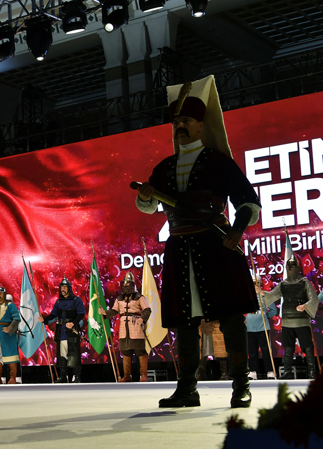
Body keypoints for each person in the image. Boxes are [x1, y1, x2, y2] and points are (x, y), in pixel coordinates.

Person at [136, 76, 261, 408]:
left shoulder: (219, 162)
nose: (180, 126)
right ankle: (187, 389)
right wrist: (146, 197)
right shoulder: (164, 167)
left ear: (201, 125)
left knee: (231, 318)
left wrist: (236, 231)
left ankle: (241, 385)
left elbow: (249, 202)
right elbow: (147, 205)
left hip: (217, 246)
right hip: (180, 249)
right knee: (184, 322)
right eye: (176, 122)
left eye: (186, 121)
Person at [260, 255, 318, 380]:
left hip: (301, 319)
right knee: (288, 348)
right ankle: (287, 371)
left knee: (307, 346)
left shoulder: (304, 282)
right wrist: (261, 292)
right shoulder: (283, 284)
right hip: (287, 320)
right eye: (290, 267)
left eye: (293, 266)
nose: (292, 269)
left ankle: (312, 371)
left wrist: (305, 306)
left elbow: (314, 299)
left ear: (297, 267)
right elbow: (272, 295)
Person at [100, 272, 152, 382]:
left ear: (132, 284)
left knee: (140, 350)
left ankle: (144, 375)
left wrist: (142, 319)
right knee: (125, 351)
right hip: (124, 327)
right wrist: (104, 313)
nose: (125, 285)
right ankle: (127, 376)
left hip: (136, 326)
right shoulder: (119, 299)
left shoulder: (139, 297)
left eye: (128, 283)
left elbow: (147, 309)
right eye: (124, 283)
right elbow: (114, 311)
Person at [39, 278, 85, 383]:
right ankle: (63, 377)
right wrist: (44, 320)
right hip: (61, 331)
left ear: (69, 288)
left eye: (65, 287)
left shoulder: (76, 300)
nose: (63, 289)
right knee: (62, 356)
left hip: (72, 331)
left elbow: (81, 314)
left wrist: (73, 323)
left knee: (74, 355)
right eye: (61, 287)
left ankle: (76, 377)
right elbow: (53, 315)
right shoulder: (58, 302)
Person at [245, 278, 278, 379]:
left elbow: (273, 310)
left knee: (266, 350)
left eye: (256, 283)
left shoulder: (265, 295)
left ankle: (269, 371)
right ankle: (253, 371)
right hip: (250, 326)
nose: (255, 286)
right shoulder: (247, 296)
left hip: (262, 326)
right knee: (252, 350)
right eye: (253, 284)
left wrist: (265, 317)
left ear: (260, 284)